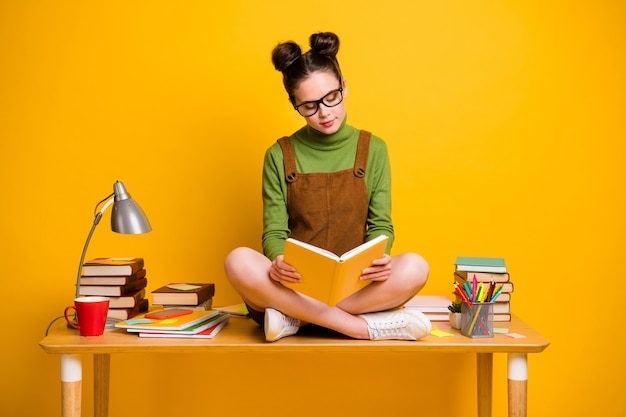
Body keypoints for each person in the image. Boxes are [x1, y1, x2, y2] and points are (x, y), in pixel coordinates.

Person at [224, 32, 431, 342]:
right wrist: (278, 261)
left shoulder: (373, 148)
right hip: (294, 285)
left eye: (331, 97)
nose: (324, 112)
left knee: (415, 267)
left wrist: (381, 259)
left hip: (356, 285)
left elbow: (381, 225)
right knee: (237, 261)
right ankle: (358, 328)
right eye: (308, 105)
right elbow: (274, 232)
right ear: (294, 104)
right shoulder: (279, 154)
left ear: (344, 87)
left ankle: (296, 318)